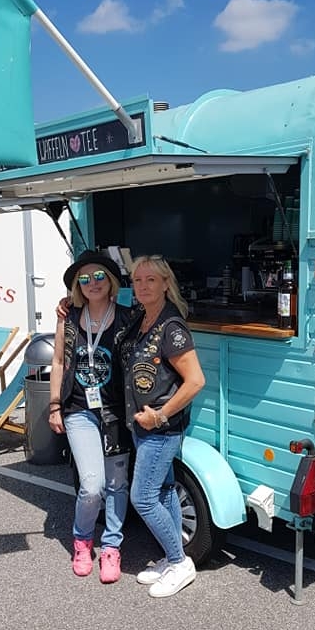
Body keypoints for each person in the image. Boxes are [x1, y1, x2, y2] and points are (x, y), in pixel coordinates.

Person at [119, 255, 205, 598]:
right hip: (140, 426)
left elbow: (195, 381)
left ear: (166, 284)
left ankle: (180, 563)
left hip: (160, 429)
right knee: (165, 491)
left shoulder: (171, 327)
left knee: (142, 497)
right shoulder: (141, 318)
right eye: (137, 280)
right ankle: (173, 558)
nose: (142, 286)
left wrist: (160, 415)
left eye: (151, 280)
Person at [49, 249, 135, 583]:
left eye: (99, 276)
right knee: (92, 485)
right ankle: (82, 541)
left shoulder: (128, 317)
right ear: (77, 286)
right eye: (84, 279)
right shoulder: (68, 317)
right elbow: (59, 361)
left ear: (110, 281)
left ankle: (112, 546)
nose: (92, 283)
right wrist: (54, 405)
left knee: (117, 484)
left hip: (116, 413)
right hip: (79, 409)